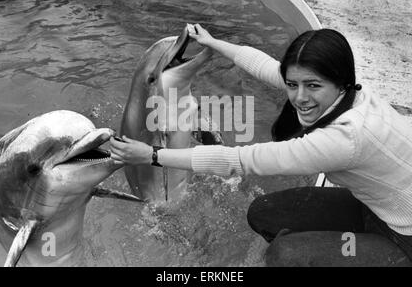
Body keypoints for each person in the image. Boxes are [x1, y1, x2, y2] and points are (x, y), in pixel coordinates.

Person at [110, 24, 412, 266]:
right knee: (263, 213)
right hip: (374, 208)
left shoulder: (345, 137)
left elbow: (240, 160)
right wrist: (214, 43)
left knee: (284, 255)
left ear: (340, 82)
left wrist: (151, 155)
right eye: (293, 85)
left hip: (405, 237)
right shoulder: (347, 94)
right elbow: (266, 67)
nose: (300, 97)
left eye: (312, 86)